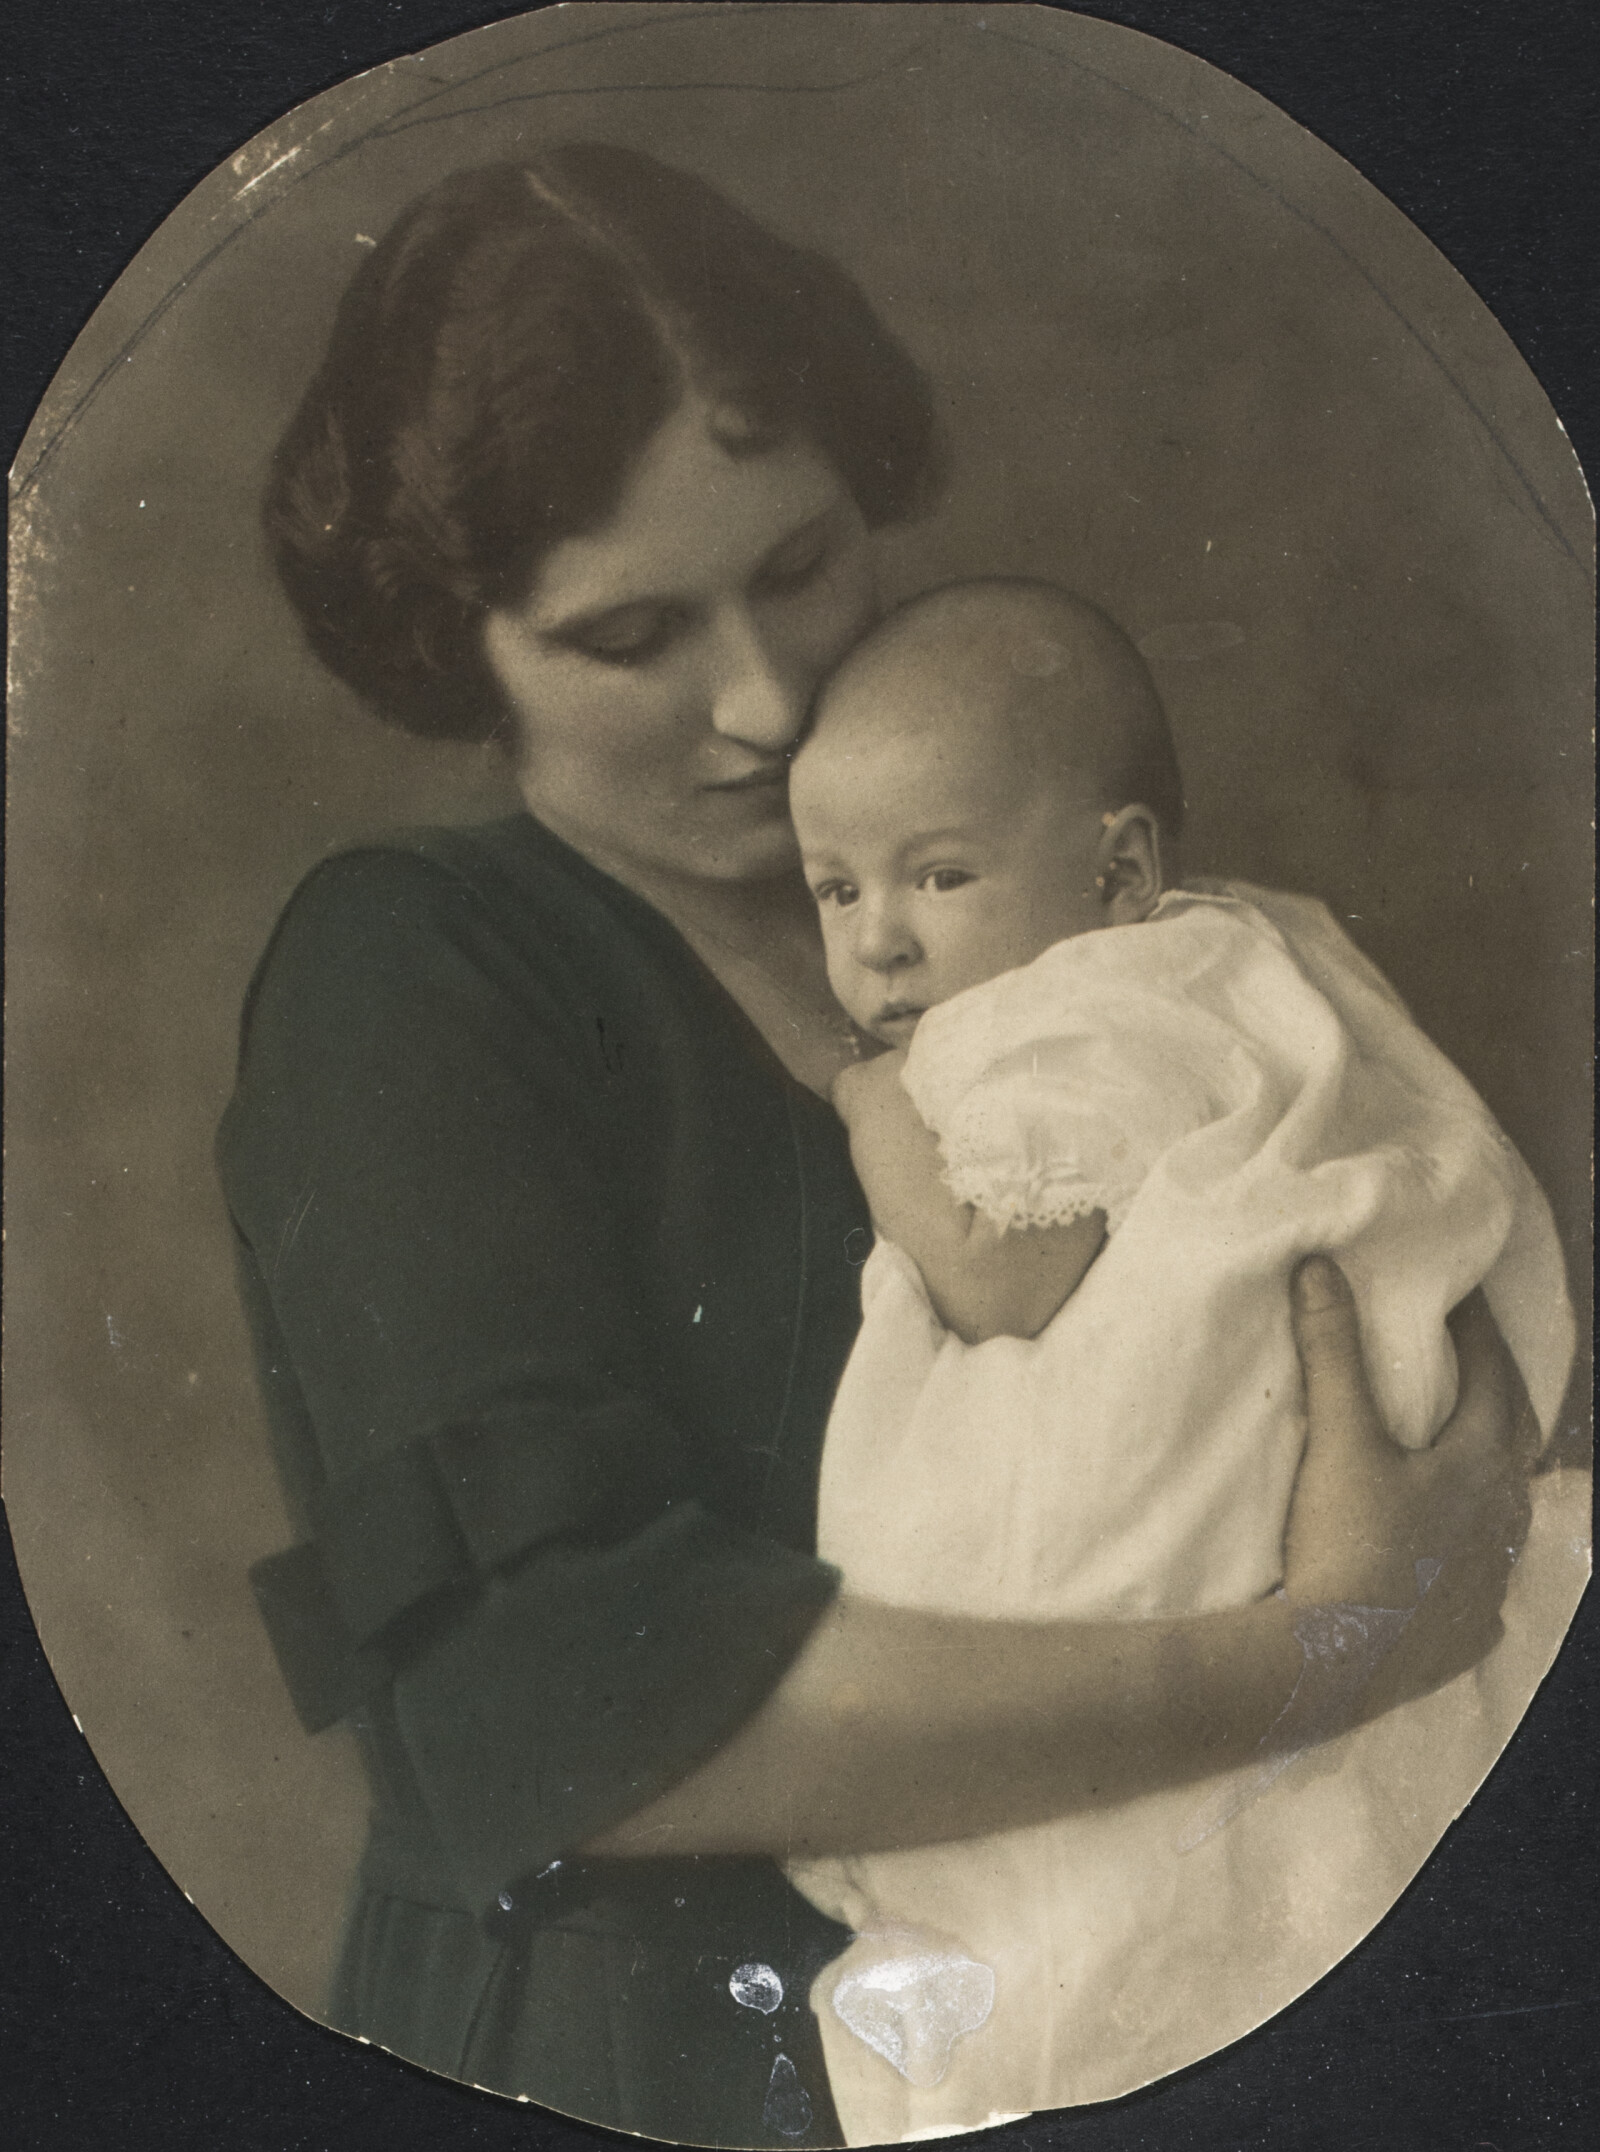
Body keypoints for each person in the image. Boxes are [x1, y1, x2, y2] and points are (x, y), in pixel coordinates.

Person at [218, 146, 1534, 2147]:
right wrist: (1308, 1654)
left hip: (1148, 1987)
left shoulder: (1050, 910)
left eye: (800, 564)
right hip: (643, 2064)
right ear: (457, 641)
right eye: (627, 631)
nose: (759, 699)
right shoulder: (417, 977)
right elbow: (562, 1707)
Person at [781, 580, 1574, 2138]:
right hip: (1331, 1497)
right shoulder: (1247, 956)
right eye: (831, 891)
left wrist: (879, 1114)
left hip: (1179, 1472)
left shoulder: (1076, 1018)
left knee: (1060, 1846)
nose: (880, 945)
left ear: (1119, 868)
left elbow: (1012, 1277)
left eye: (939, 876)